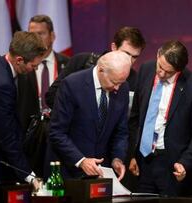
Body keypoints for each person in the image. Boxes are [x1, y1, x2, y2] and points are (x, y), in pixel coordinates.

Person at [128, 40, 192, 196]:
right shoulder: (146, 70)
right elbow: (135, 117)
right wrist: (134, 153)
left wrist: (184, 163)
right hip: (144, 163)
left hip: (172, 166)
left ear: (179, 70)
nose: (161, 74)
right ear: (158, 55)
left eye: (169, 72)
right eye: (160, 67)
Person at [0, 31, 47, 186]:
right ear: (19, 60)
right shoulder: (2, 85)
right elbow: (6, 136)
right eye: (34, 65)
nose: (35, 70)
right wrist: (28, 175)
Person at [45, 51, 132, 180]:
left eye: (121, 82)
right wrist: (81, 160)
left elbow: (121, 131)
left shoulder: (123, 88)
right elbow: (57, 132)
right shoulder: (72, 84)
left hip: (100, 174)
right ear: (101, 70)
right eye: (114, 82)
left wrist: (117, 158)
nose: (117, 88)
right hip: (68, 171)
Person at [45, 26, 146, 108]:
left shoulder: (134, 80)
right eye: (126, 53)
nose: (129, 60)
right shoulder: (80, 62)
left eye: (135, 57)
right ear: (114, 47)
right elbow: (52, 96)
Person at [17, 15, 69, 133]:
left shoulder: (68, 64)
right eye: (31, 34)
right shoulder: (20, 65)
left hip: (60, 131)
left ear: (52, 36)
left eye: (40, 33)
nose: (35, 38)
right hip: (28, 133)